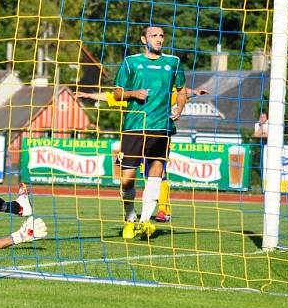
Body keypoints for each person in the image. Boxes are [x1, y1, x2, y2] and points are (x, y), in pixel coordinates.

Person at [76, 85, 207, 223]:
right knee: (132, 176)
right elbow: (111, 96)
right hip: (135, 135)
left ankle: (163, 210)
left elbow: (179, 91)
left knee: (158, 173)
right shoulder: (133, 96)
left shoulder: (159, 91)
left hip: (158, 133)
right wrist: (90, 96)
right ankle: (132, 212)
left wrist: (194, 93)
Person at [110, 26, 186, 240]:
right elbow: (116, 93)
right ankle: (129, 218)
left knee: (156, 173)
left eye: (161, 36)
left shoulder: (173, 63)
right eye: (154, 36)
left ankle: (145, 222)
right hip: (134, 126)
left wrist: (179, 108)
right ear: (144, 38)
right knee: (127, 179)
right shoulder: (130, 62)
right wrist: (134, 93)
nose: (159, 39)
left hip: (162, 127)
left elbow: (181, 91)